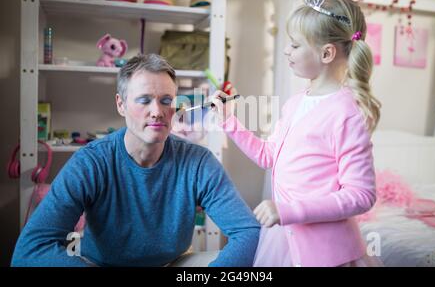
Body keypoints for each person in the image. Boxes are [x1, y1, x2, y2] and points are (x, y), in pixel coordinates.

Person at [11, 54, 260, 267]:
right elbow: (30, 250)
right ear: (121, 104)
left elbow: (248, 232)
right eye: (144, 100)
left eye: (166, 101)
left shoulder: (198, 162)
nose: (157, 111)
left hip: (173, 263)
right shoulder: (91, 162)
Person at [211, 0, 383, 267]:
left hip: (325, 252)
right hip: (285, 239)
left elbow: (361, 195)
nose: (287, 51)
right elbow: (269, 156)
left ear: (326, 53)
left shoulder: (346, 112)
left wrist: (289, 210)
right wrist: (230, 121)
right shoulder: (295, 103)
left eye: (294, 45)